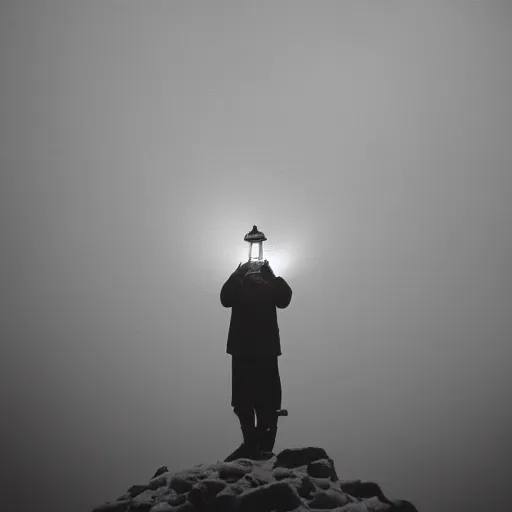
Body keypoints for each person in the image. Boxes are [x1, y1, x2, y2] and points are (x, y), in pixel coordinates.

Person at [220, 259, 292, 461]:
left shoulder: (269, 283)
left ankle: (264, 446)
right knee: (243, 402)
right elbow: (225, 299)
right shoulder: (239, 283)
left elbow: (284, 300)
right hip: (243, 351)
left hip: (265, 351)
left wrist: (271, 275)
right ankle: (250, 444)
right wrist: (237, 274)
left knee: (268, 402)